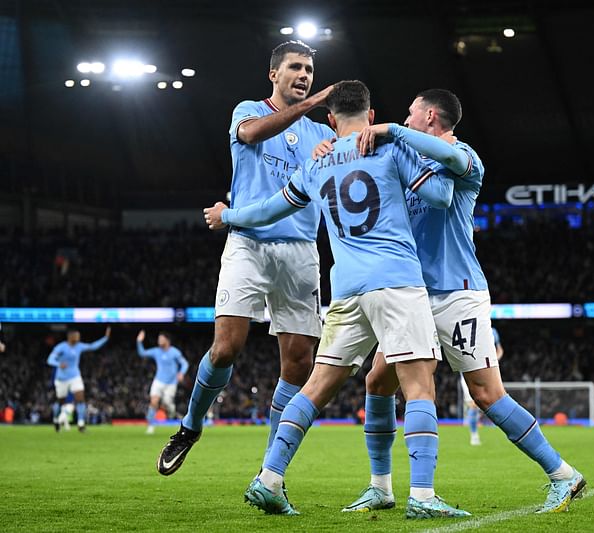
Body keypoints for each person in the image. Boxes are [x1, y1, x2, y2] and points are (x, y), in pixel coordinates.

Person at [204, 80, 469, 519]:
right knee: (420, 386)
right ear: (371, 116)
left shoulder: (316, 163)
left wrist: (226, 215)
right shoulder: (388, 149)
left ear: (330, 119)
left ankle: (269, 477)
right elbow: (440, 196)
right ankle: (422, 496)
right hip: (396, 281)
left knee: (316, 386)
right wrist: (415, 145)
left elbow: (269, 210)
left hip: (345, 289)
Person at [336, 89, 586, 514]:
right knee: (377, 382)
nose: (405, 118)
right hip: (410, 293)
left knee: (487, 393)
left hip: (457, 293)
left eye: (411, 113)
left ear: (430, 116)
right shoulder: (407, 157)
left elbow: (444, 188)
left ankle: (564, 475)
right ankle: (381, 487)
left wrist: (393, 132)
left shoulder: (464, 156)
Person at [156, 40, 334, 476]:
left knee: (299, 361)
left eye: (310, 70)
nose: (304, 75)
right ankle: (190, 427)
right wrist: (312, 103)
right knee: (225, 348)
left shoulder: (323, 136)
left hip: (300, 251)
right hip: (248, 244)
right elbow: (254, 134)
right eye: (295, 67)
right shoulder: (246, 111)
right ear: (273, 74)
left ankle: (271, 470)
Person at [47, 326, 111, 432]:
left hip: (75, 376)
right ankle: (55, 420)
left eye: (78, 336)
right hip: (62, 379)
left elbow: (92, 346)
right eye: (76, 336)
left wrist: (105, 338)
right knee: (60, 401)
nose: (78, 338)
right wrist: (58, 364)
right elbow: (50, 359)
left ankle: (81, 424)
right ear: (70, 337)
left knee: (80, 398)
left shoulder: (79, 346)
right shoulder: (61, 347)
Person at [136, 330, 189, 434]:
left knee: (167, 404)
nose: (159, 340)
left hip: (171, 383)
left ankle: (171, 409)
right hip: (158, 381)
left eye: (161, 338)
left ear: (167, 340)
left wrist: (181, 373)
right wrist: (139, 341)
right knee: (154, 401)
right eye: (158, 338)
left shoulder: (174, 352)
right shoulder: (156, 351)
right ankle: (151, 426)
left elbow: (184, 363)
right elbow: (142, 353)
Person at [463, 325, 503, 446]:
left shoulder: (492, 331)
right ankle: (474, 435)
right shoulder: (467, 327)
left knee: (496, 398)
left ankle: (502, 427)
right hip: (469, 369)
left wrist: (494, 360)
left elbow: (500, 349)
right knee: (473, 404)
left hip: (489, 369)